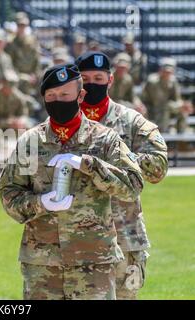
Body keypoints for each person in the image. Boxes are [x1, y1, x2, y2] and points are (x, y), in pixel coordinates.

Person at [0, 64, 144, 300]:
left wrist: (89, 165)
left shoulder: (105, 140)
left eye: (64, 95)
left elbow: (133, 185)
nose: (57, 101)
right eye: (51, 96)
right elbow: (8, 194)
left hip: (94, 263)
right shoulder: (30, 142)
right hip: (43, 266)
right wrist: (41, 202)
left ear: (81, 95)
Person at [76, 51, 168, 299]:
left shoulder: (131, 121)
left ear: (110, 80)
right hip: (75, 238)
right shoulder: (62, 123)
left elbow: (159, 167)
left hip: (124, 236)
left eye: (98, 77)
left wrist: (118, 160)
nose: (92, 84)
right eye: (85, 78)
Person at [142, 57, 193, 133]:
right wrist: (177, 106)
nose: (167, 73)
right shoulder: (153, 81)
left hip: (167, 108)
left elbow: (176, 99)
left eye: (169, 71)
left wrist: (182, 106)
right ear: (160, 70)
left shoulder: (173, 81)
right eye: (165, 71)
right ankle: (162, 133)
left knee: (183, 110)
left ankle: (181, 135)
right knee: (166, 108)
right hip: (151, 109)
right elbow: (159, 103)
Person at [5, 12, 41, 96]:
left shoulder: (32, 41)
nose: (22, 28)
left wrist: (35, 74)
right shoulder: (10, 42)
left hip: (32, 75)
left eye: (24, 25)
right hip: (16, 75)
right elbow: (9, 63)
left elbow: (37, 60)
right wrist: (22, 76)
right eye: (19, 25)